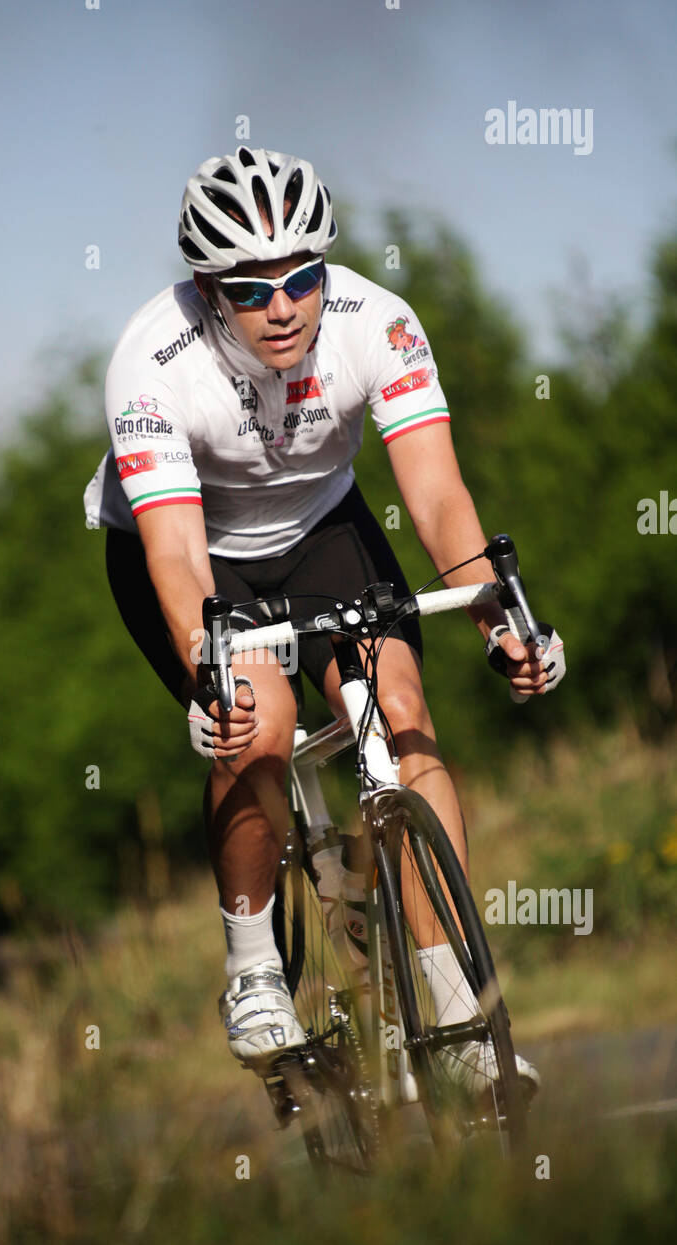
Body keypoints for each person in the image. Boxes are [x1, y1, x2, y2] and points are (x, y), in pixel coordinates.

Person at [84, 146, 565, 1096]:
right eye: (251, 289)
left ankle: (462, 1025)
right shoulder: (151, 362)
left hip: (320, 527)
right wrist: (208, 667)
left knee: (399, 707)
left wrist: (498, 618)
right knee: (255, 718)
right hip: (192, 546)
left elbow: (434, 495)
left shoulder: (375, 324)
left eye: (302, 277)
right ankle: (255, 967)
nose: (284, 307)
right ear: (207, 287)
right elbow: (175, 556)